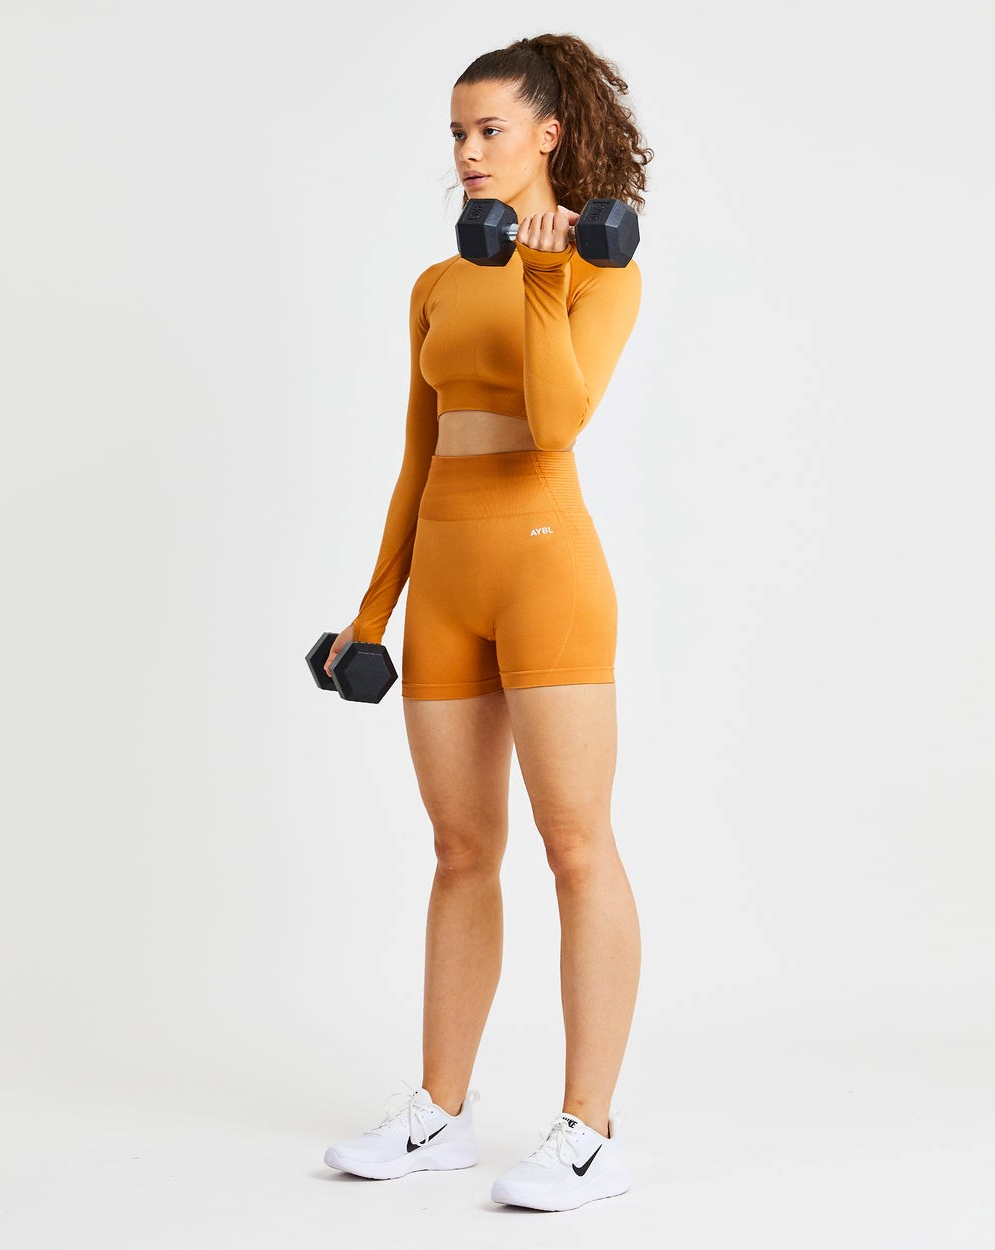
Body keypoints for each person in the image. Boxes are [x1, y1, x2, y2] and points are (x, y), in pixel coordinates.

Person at [322, 32, 653, 1212]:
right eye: (457, 133)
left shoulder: (600, 268)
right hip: (448, 583)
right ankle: (440, 1110)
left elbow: (555, 424)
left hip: (545, 567)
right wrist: (371, 612)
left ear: (547, 136)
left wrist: (544, 277)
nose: (466, 151)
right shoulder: (435, 282)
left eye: (490, 130)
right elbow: (417, 460)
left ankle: (590, 1130)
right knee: (460, 849)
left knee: (576, 845)